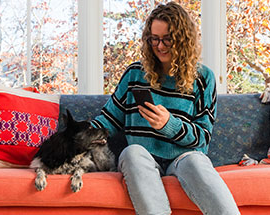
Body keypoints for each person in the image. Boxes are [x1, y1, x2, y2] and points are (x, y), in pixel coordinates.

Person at [91, 2, 240, 215]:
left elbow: (203, 137)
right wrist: (75, 135)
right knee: (131, 152)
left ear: (182, 40)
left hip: (183, 158)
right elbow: (109, 120)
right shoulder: (135, 74)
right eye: (154, 39)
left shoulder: (203, 78)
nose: (160, 46)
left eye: (167, 39)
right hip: (143, 157)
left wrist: (169, 125)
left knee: (197, 161)